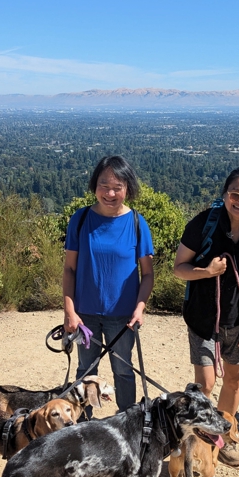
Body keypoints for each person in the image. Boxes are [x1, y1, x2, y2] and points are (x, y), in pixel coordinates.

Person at [173, 167, 239, 467]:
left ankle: (224, 439)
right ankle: (193, 436)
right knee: (204, 385)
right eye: (235, 194)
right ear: (224, 194)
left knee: (233, 382)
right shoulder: (203, 224)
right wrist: (206, 272)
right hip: (204, 320)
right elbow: (179, 268)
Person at [63, 156, 155, 412]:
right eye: (104, 185)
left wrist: (140, 307)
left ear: (128, 188)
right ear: (94, 186)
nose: (110, 193)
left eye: (118, 186)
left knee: (124, 371)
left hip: (123, 317)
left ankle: (127, 424)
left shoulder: (137, 223)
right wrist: (69, 311)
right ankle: (82, 426)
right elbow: (69, 269)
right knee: (85, 371)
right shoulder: (80, 220)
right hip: (84, 316)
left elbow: (147, 274)